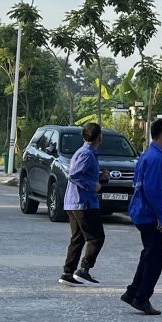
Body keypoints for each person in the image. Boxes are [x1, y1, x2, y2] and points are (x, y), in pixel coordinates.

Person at [124, 118, 162, 315]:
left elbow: (145, 184)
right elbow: (152, 189)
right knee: (155, 258)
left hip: (141, 210)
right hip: (149, 215)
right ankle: (142, 298)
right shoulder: (156, 158)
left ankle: (132, 293)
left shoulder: (148, 155)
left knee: (148, 255)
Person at [58, 122, 105, 287]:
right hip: (82, 203)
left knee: (77, 239)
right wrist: (94, 185)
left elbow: (83, 173)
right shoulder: (86, 153)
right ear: (99, 136)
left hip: (76, 202)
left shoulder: (87, 153)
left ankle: (67, 273)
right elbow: (75, 175)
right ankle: (83, 271)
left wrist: (100, 177)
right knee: (96, 238)